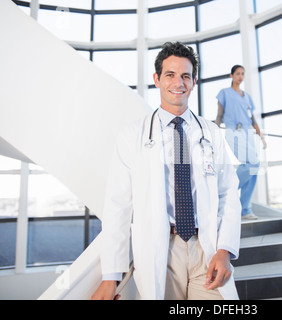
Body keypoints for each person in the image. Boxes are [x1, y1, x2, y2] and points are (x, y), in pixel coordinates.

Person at [91, 42, 241, 300]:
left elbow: (229, 194)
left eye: (185, 76)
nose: (178, 83)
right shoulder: (131, 136)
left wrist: (225, 250)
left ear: (194, 81)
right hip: (161, 250)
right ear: (157, 79)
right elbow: (117, 207)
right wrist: (110, 277)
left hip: (206, 249)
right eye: (170, 75)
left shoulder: (212, 134)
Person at [215, 65, 266, 220]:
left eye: (243, 74)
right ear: (231, 75)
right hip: (233, 131)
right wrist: (215, 133)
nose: (240, 76)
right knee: (253, 163)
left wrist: (261, 136)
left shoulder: (247, 96)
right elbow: (219, 115)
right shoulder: (224, 93)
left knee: (253, 169)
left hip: (248, 132)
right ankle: (225, 193)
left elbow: (252, 119)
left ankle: (245, 209)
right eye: (238, 73)